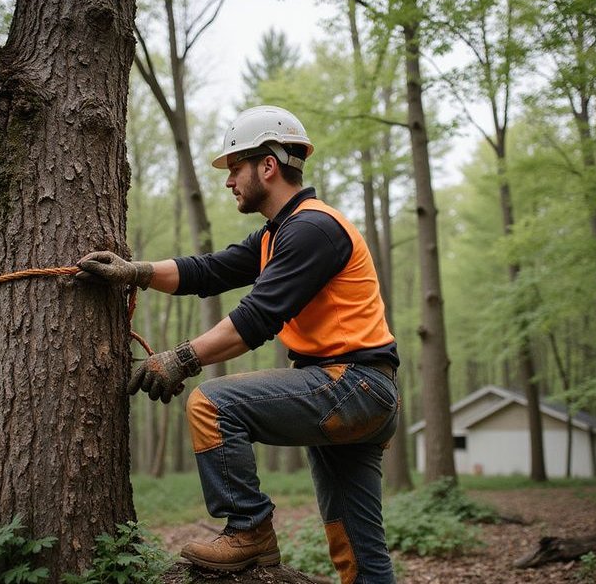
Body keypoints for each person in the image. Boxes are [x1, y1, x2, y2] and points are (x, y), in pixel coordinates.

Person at [77, 105, 399, 583]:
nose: (228, 181)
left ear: (267, 165)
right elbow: (210, 270)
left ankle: (249, 531)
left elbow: (257, 318)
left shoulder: (311, 229)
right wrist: (138, 272)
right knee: (356, 546)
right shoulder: (280, 233)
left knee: (212, 404)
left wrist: (181, 358)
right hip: (358, 392)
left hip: (351, 385)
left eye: (234, 167)